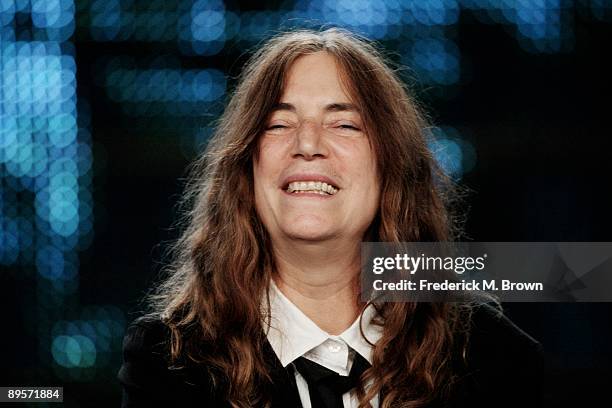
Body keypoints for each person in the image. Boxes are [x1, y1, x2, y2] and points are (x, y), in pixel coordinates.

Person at [117, 28, 543, 408]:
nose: (307, 144)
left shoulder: (492, 356)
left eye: (344, 125)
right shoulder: (167, 360)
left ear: (391, 168)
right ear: (245, 169)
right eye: (278, 124)